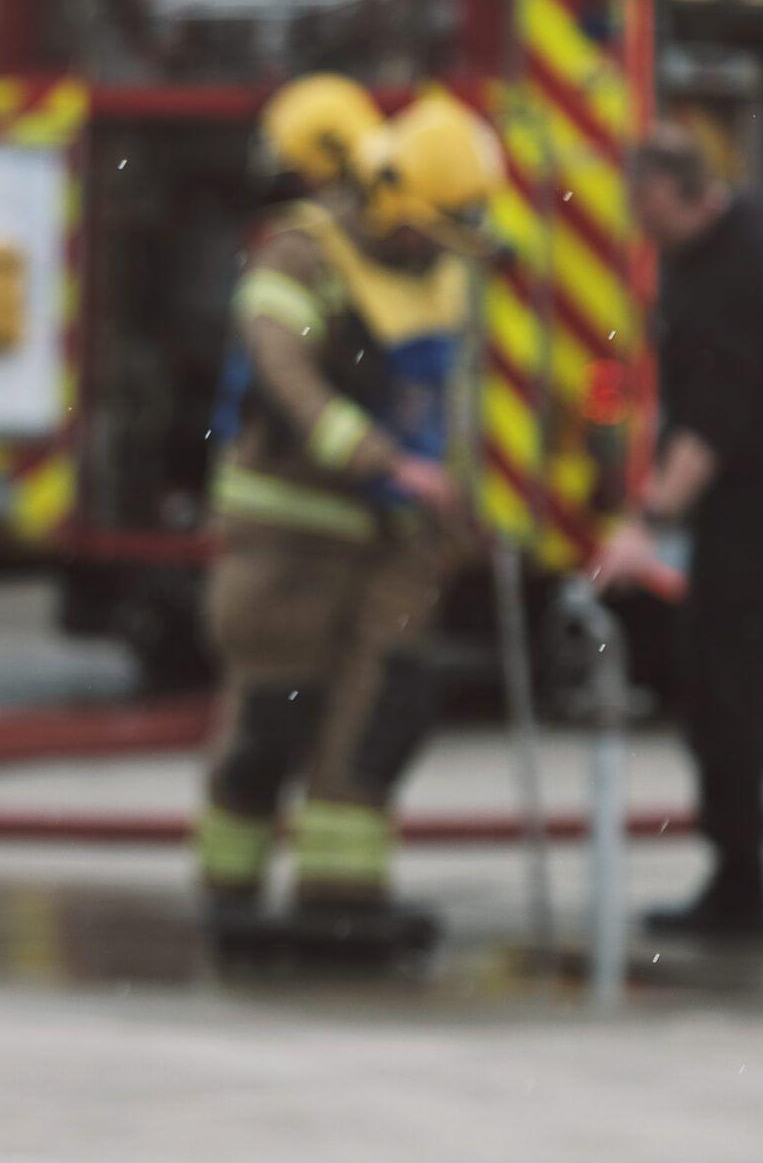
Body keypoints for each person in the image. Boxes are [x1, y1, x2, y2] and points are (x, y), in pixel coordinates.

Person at [192, 83, 493, 938]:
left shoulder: (431, 260)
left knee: (384, 712)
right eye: (419, 228)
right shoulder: (298, 257)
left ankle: (340, 898)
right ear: (387, 193)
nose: (426, 248)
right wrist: (378, 459)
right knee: (273, 719)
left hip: (396, 540)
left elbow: (449, 392)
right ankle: (231, 898)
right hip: (289, 534)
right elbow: (286, 379)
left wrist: (460, 496)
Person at [590, 125, 763, 943]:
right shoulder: (754, 235)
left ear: (688, 191)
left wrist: (649, 524)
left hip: (753, 513)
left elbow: (712, 423)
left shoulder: (734, 272)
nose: (638, 219)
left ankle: (740, 889)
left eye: (647, 202)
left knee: (724, 698)